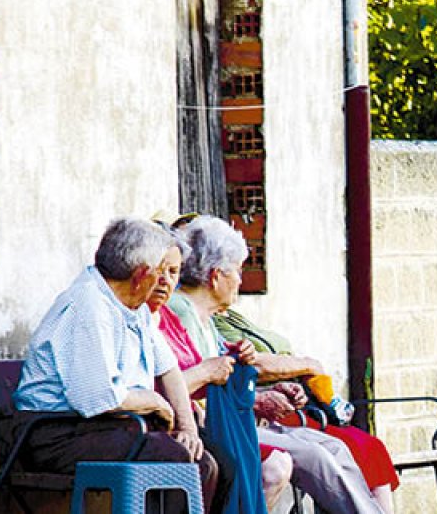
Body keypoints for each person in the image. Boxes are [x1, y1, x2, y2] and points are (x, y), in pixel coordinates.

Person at [172, 215, 385, 514]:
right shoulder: (183, 311)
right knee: (315, 457)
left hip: (237, 419)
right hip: (220, 426)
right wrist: (257, 397)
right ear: (216, 276)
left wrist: (267, 391)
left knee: (335, 447)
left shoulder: (206, 317)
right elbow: (198, 387)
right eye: (237, 271)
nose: (241, 280)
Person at [13, 217, 221, 513]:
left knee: (208, 461)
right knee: (170, 458)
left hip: (107, 427)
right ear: (141, 275)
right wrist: (155, 402)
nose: (163, 281)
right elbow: (98, 398)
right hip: (57, 434)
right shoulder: (88, 305)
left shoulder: (134, 306)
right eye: (159, 271)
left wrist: (188, 427)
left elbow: (168, 368)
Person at [146, 227, 294, 512]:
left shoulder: (171, 317)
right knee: (226, 464)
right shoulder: (175, 310)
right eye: (237, 270)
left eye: (173, 272)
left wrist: (236, 361)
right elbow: (156, 387)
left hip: (196, 421)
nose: (166, 281)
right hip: (167, 424)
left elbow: (200, 372)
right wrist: (210, 378)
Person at [216, 308, 400, 513]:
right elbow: (240, 370)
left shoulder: (228, 317)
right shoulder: (202, 322)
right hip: (242, 417)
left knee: (346, 447)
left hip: (281, 405)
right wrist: (307, 366)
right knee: (316, 455)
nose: (237, 288)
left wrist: (281, 387)